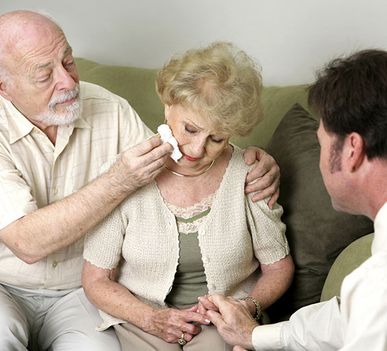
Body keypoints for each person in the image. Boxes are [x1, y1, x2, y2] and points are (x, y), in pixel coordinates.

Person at [0, 10, 281, 351]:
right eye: (45, 75)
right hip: (5, 285)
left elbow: (177, 158)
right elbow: (25, 242)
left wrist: (254, 159)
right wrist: (117, 180)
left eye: (68, 61)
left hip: (77, 294)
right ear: (4, 86)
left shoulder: (109, 109)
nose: (69, 81)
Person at [82, 41, 294, 350]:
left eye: (216, 138)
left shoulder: (251, 174)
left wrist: (246, 307)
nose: (196, 150)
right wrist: (150, 318)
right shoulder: (126, 173)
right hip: (141, 318)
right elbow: (96, 279)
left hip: (220, 320)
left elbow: (278, 267)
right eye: (190, 129)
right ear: (168, 106)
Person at [204, 49, 387, 350]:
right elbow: (345, 317)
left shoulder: (380, 282)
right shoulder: (370, 288)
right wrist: (254, 336)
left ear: (352, 150)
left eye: (321, 143)